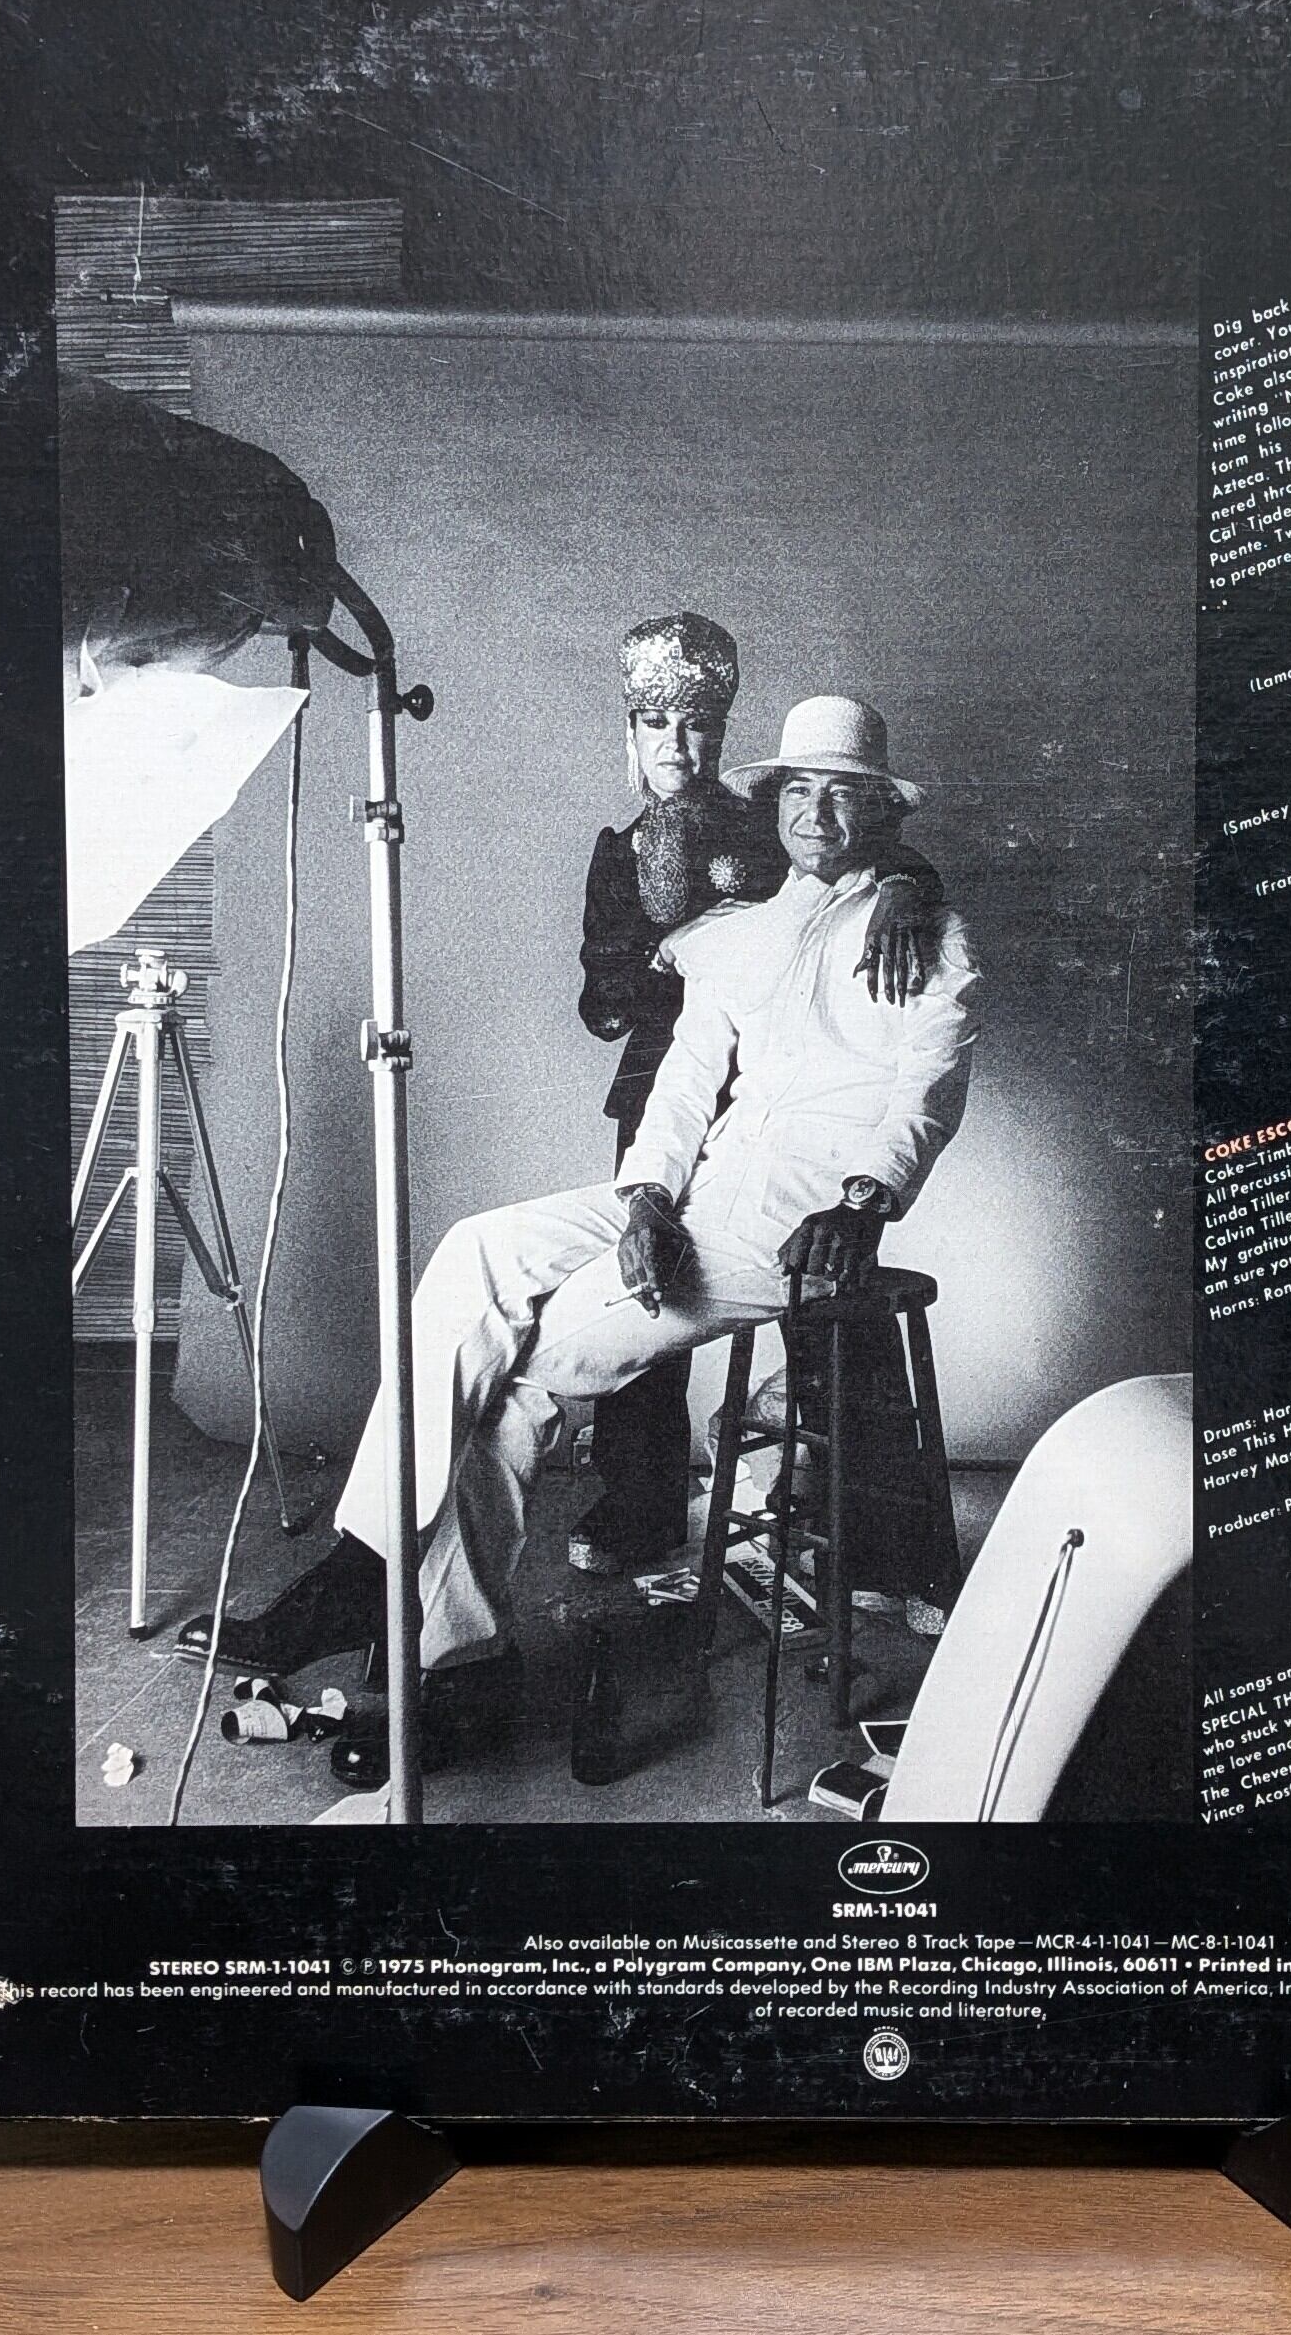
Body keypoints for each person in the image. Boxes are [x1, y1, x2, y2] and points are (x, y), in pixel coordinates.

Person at [180, 695, 979, 1794]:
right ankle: (376, 1580)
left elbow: (930, 1082)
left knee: (514, 1376)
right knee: (476, 1252)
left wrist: (863, 1202)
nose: (817, 812)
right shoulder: (746, 928)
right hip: (690, 1194)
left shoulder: (923, 929)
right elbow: (684, 1080)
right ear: (777, 802)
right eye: (799, 788)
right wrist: (644, 1196)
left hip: (788, 1226)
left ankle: (442, 1652)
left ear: (882, 812)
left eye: (844, 794)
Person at [568, 616, 941, 1575]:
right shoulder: (617, 850)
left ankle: (875, 1527)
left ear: (723, 735)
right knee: (651, 1284)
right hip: (663, 1085)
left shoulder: (768, 818)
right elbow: (600, 1000)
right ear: (631, 732)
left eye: (698, 725)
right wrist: (671, 960)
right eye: (657, 723)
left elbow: (857, 855)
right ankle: (641, 1500)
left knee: (828, 1298)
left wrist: (907, 886)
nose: (678, 745)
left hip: (786, 1087)